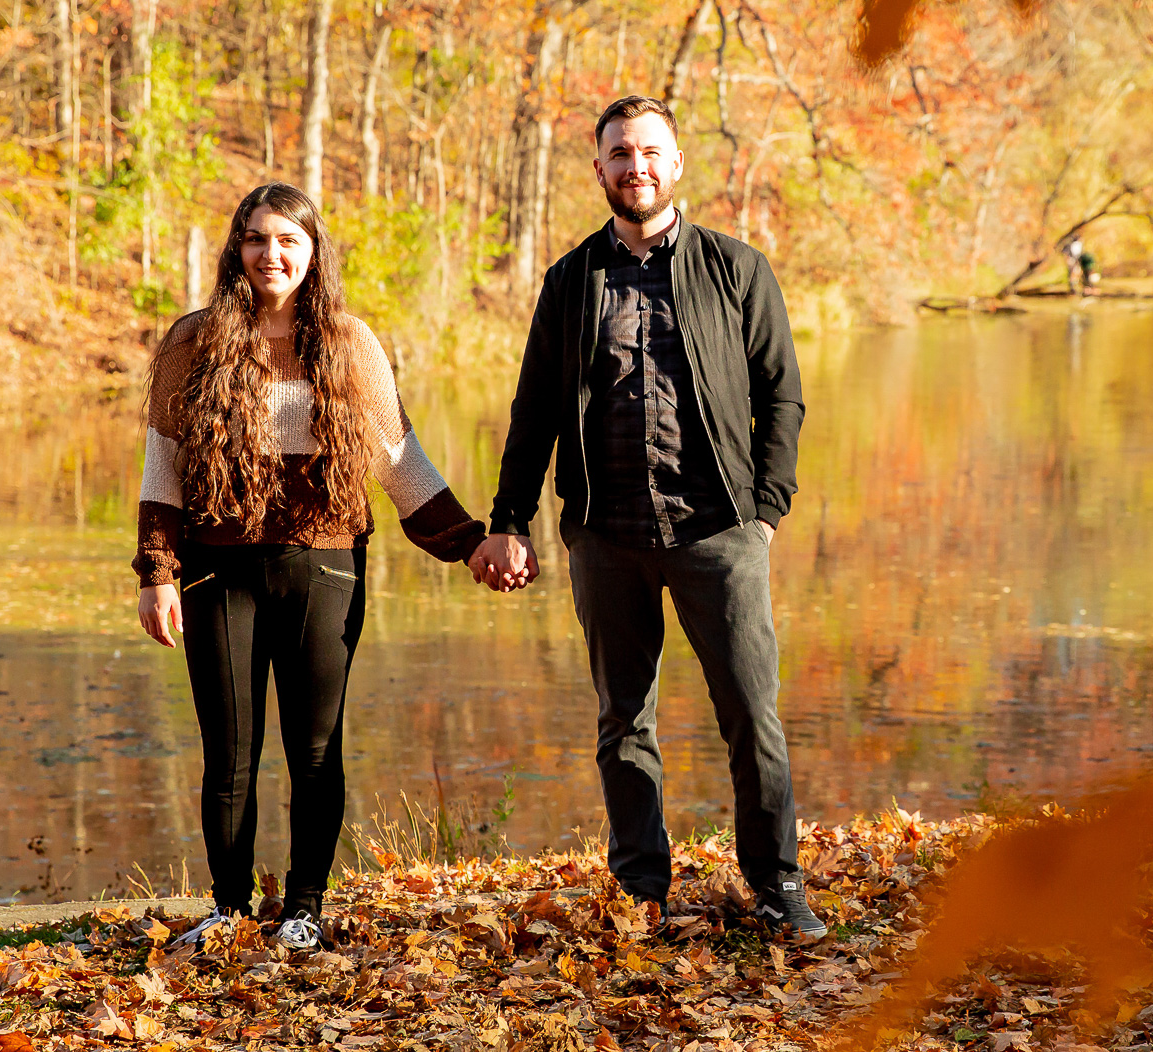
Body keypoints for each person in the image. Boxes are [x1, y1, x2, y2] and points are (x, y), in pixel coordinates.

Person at [468, 95, 824, 941]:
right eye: (620, 154)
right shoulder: (570, 281)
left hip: (719, 532)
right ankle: (642, 894)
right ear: (599, 170)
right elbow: (534, 414)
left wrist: (766, 513)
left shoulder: (737, 270)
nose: (637, 166)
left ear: (677, 161)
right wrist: (509, 518)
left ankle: (776, 885)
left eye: (651, 151)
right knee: (623, 720)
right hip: (607, 534)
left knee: (751, 711)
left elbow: (782, 397)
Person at [134, 182, 485, 949]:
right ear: (237, 250)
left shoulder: (350, 343)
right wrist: (157, 573)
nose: (272, 254)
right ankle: (227, 910)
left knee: (315, 749)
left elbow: (399, 461)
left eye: (288, 240)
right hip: (215, 571)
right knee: (228, 753)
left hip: (323, 569)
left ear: (313, 252)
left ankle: (303, 911)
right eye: (257, 239)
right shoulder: (192, 343)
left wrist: (472, 542)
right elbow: (162, 464)